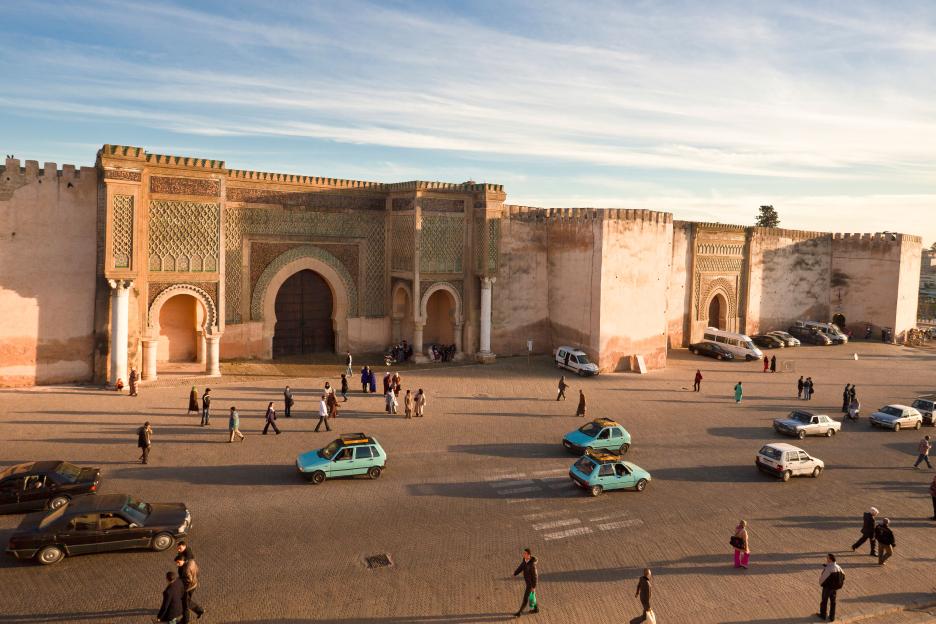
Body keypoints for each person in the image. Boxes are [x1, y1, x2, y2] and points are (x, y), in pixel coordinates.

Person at [174, 553, 205, 621]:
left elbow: (187, 581)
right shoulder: (191, 562)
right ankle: (199, 610)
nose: (177, 564)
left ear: (183, 560)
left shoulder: (185, 571)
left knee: (185, 604)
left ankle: (185, 620)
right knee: (186, 600)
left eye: (178, 562)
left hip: (188, 588)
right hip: (193, 585)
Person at [512, 548, 539, 617]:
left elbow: (535, 577)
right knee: (532, 597)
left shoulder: (532, 565)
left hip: (530, 584)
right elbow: (521, 567)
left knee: (525, 598)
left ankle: (519, 613)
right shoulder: (525, 560)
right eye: (523, 553)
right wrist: (515, 573)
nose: (523, 554)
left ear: (528, 555)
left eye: (525, 553)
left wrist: (533, 587)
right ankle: (536, 609)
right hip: (528, 582)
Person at [818, 553, 844, 622]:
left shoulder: (829, 568)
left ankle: (823, 615)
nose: (826, 559)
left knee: (824, 601)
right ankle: (832, 617)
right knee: (833, 602)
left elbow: (823, 578)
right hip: (834, 588)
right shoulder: (838, 567)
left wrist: (820, 583)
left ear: (830, 559)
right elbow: (844, 575)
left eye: (827, 558)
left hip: (827, 588)